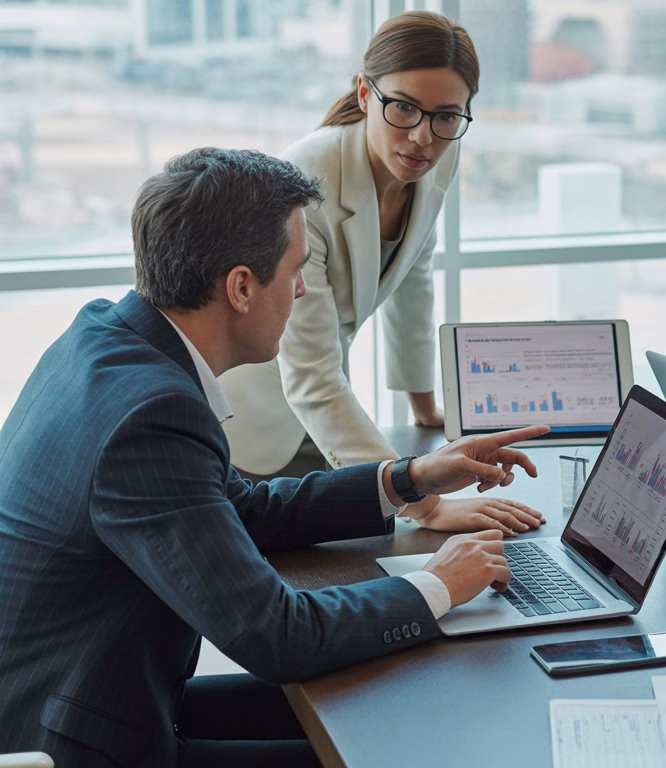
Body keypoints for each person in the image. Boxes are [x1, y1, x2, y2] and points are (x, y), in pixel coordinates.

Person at [0, 148, 550, 766]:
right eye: (296, 267)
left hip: (96, 694)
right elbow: (277, 635)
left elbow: (242, 508)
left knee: (394, 701)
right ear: (240, 287)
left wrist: (410, 479)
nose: (302, 287)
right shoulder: (150, 416)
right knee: (403, 744)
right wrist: (441, 583)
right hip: (76, 742)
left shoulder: (106, 337)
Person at [219, 11, 540, 535]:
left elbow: (414, 276)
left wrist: (424, 404)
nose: (422, 138)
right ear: (366, 95)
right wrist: (427, 503)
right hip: (255, 422)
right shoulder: (307, 186)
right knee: (325, 563)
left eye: (446, 116)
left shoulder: (439, 154)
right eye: (404, 109)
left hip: (322, 403)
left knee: (364, 548)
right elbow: (313, 379)